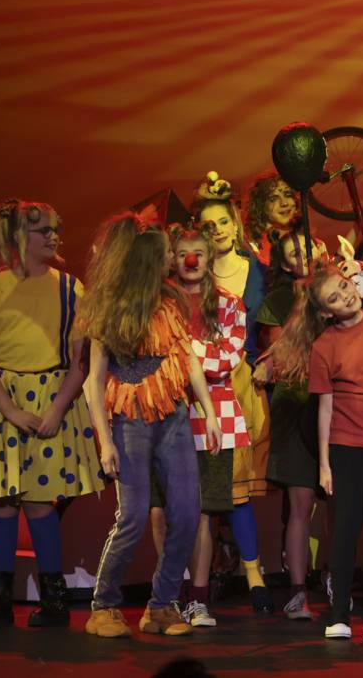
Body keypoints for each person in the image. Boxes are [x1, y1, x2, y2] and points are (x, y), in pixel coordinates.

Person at [79, 212, 221, 638]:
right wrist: (105, 440)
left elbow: (188, 358)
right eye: (164, 255)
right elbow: (93, 381)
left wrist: (209, 411)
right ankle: (104, 605)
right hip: (130, 419)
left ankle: (161, 605)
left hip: (173, 415)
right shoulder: (109, 308)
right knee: (134, 516)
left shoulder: (170, 300)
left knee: (187, 511)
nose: (172, 261)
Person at [0, 200, 102, 628]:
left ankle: (53, 598)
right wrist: (8, 408)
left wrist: (57, 408)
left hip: (50, 397)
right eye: (43, 230)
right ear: (18, 237)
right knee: (4, 499)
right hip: (0, 400)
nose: (53, 236)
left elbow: (80, 358)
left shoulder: (70, 288)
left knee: (41, 501)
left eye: (55, 228)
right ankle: (0, 596)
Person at [273, 263, 363, 640]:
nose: (345, 296)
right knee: (345, 528)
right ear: (325, 312)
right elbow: (325, 408)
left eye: (344, 286)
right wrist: (324, 464)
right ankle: (339, 614)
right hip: (344, 444)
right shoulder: (325, 345)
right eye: (334, 298)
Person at [149, 221, 251, 628]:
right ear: (172, 258)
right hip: (162, 411)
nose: (190, 261)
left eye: (199, 253)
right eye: (182, 253)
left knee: (204, 512)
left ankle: (199, 598)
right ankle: (167, 596)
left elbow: (227, 359)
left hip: (214, 415)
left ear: (209, 258)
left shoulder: (229, 304)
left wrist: (183, 351)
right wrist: (191, 355)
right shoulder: (158, 302)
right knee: (160, 511)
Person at [191, 171, 274, 614]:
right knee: (203, 488)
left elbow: (278, 325)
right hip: (197, 385)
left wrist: (270, 360)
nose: (219, 230)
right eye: (209, 225)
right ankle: (206, 576)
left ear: (236, 223)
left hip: (244, 381)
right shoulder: (191, 275)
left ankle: (254, 571)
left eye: (224, 221)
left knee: (238, 485)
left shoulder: (258, 271)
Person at [257, 230, 323, 620]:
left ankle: (337, 582)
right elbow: (281, 354)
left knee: (342, 502)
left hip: (339, 403)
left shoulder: (339, 288)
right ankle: (298, 591)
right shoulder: (280, 300)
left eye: (308, 247)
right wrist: (302, 301)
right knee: (301, 503)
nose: (304, 255)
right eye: (294, 252)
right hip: (297, 404)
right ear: (283, 263)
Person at [245, 170, 328, 266]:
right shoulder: (253, 248)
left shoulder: (316, 245)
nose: (284, 203)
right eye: (273, 199)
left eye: (288, 195)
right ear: (260, 207)